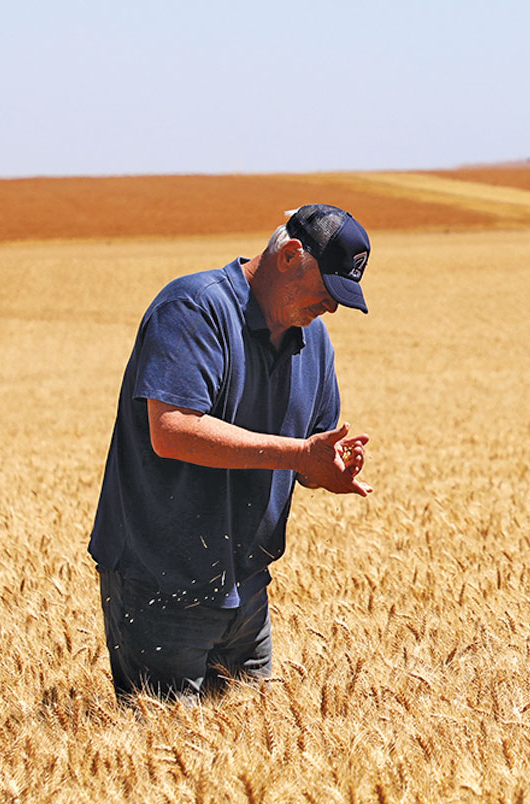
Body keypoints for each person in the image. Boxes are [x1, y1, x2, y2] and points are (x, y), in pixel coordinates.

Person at [88, 204, 374, 702]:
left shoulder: (315, 340)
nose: (330, 308)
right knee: (165, 758)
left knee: (249, 753)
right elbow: (172, 430)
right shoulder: (193, 310)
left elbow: (308, 449)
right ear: (288, 255)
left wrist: (322, 469)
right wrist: (298, 454)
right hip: (162, 586)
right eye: (327, 290)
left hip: (247, 587)